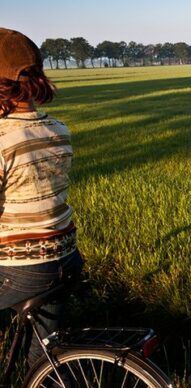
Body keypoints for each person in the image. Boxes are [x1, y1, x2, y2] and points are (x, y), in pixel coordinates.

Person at [0, 27, 83, 367]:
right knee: (41, 362)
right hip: (65, 257)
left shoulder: (3, 137)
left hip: (22, 267)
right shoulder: (58, 128)